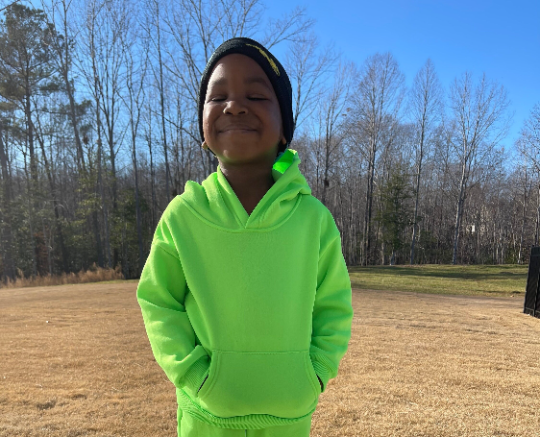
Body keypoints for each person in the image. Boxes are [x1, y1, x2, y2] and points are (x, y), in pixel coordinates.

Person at [136, 37, 354, 437]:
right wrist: (196, 375)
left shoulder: (314, 221)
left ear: (285, 129)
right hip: (206, 417)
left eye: (255, 95)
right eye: (218, 97)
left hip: (289, 417)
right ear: (203, 132)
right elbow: (158, 302)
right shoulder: (183, 217)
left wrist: (317, 372)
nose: (234, 106)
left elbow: (333, 308)